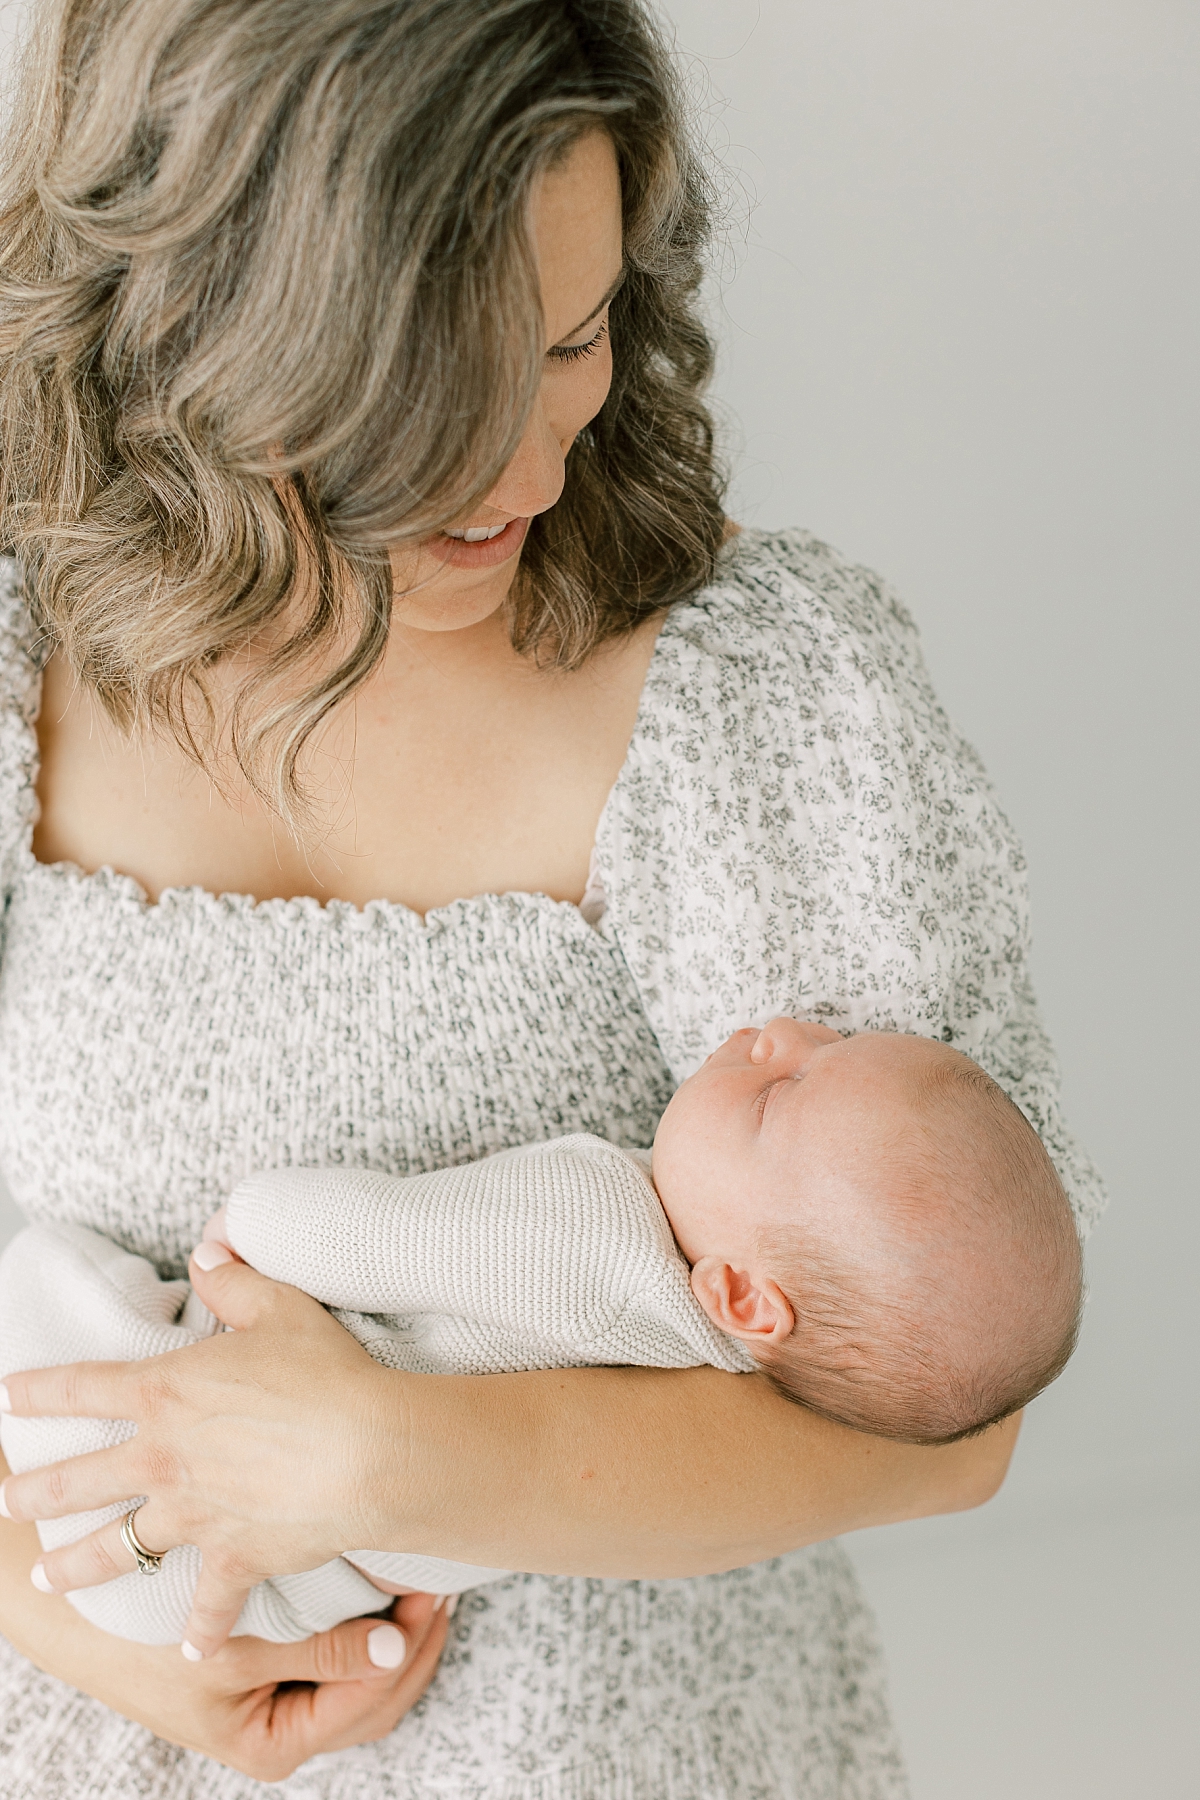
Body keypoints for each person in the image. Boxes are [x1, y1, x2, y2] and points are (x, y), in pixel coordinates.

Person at [0, 0, 1105, 1794]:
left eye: (575, 339)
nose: (530, 467)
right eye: (427, 399)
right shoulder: (14, 651)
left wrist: (395, 1468)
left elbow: (952, 1424)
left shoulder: (761, 690)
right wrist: (55, 1620)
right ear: (199, 329)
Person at [0, 1016, 1084, 1650]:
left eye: (779, 1093)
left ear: (749, 1300)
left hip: (132, 1484)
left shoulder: (596, 1232)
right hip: (260, 1598)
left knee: (40, 1279)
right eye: (827, 1040)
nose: (775, 1032)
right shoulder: (706, 1380)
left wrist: (247, 1229)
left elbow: (379, 1236)